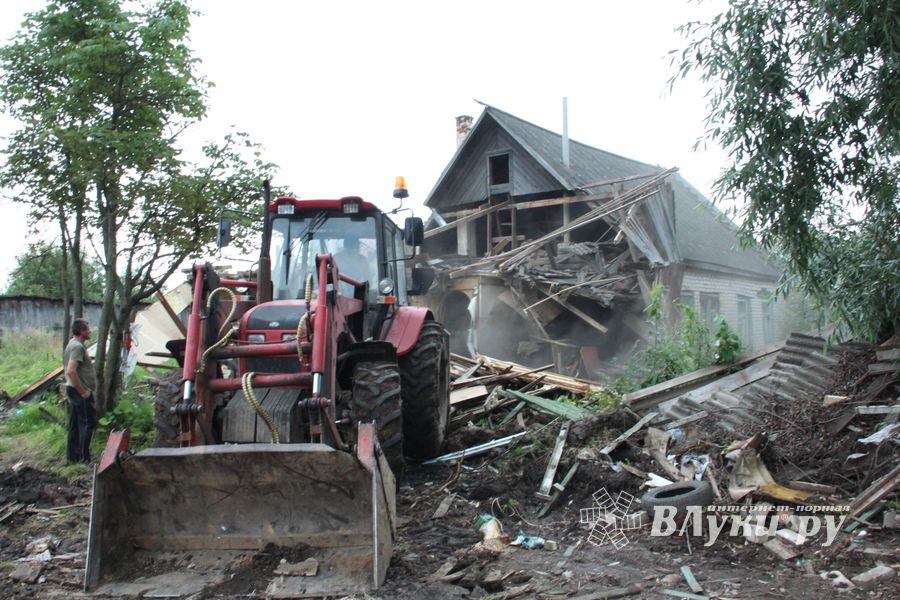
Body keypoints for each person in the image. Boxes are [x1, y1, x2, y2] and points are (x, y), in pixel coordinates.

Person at [63, 318, 96, 464]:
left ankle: (72, 457)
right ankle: (84, 458)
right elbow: (71, 371)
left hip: (73, 389)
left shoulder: (73, 344)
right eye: (87, 329)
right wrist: (82, 391)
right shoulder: (77, 347)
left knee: (75, 425)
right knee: (87, 423)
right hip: (78, 391)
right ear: (82, 331)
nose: (89, 331)